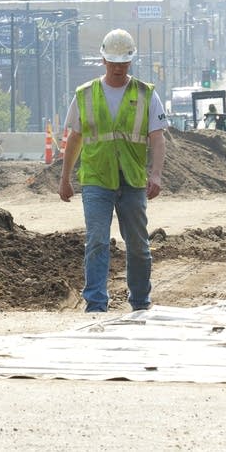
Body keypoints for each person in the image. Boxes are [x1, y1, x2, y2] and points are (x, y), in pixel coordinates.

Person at [58, 29, 167, 313]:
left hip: (131, 180)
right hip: (96, 179)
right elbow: (75, 138)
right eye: (113, 62)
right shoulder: (85, 95)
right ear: (103, 60)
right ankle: (95, 303)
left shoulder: (146, 95)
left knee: (139, 246)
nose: (119, 68)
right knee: (96, 240)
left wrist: (155, 174)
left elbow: (157, 138)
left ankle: (141, 301)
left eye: (124, 63)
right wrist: (65, 178)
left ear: (131, 62)